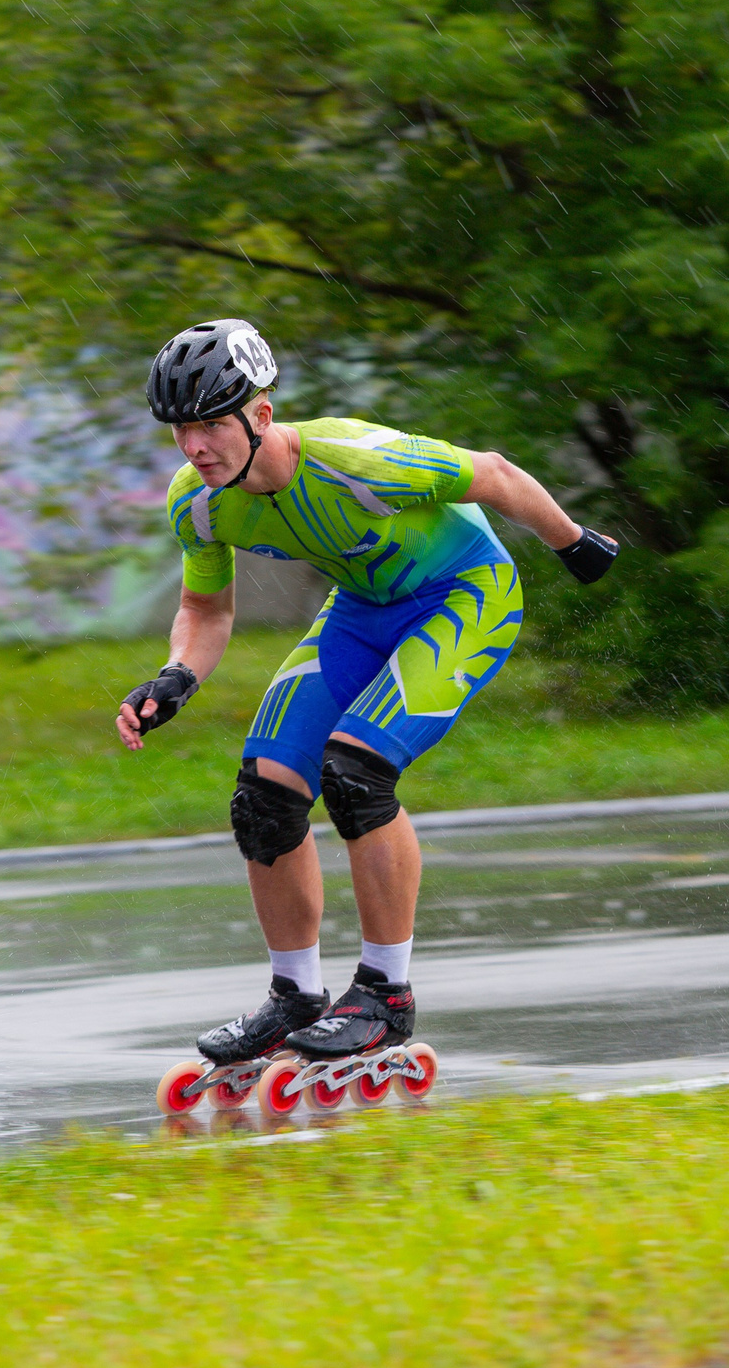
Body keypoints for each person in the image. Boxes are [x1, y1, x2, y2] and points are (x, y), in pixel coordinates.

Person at [117, 318, 621, 1079]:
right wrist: (176, 676)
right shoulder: (200, 502)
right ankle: (296, 995)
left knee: (355, 771)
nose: (194, 447)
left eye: (211, 424)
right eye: (181, 429)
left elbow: (494, 473)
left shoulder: (357, 458)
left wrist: (572, 541)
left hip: (462, 594)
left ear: (260, 414)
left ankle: (386, 993)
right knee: (263, 794)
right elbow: (207, 610)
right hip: (362, 608)